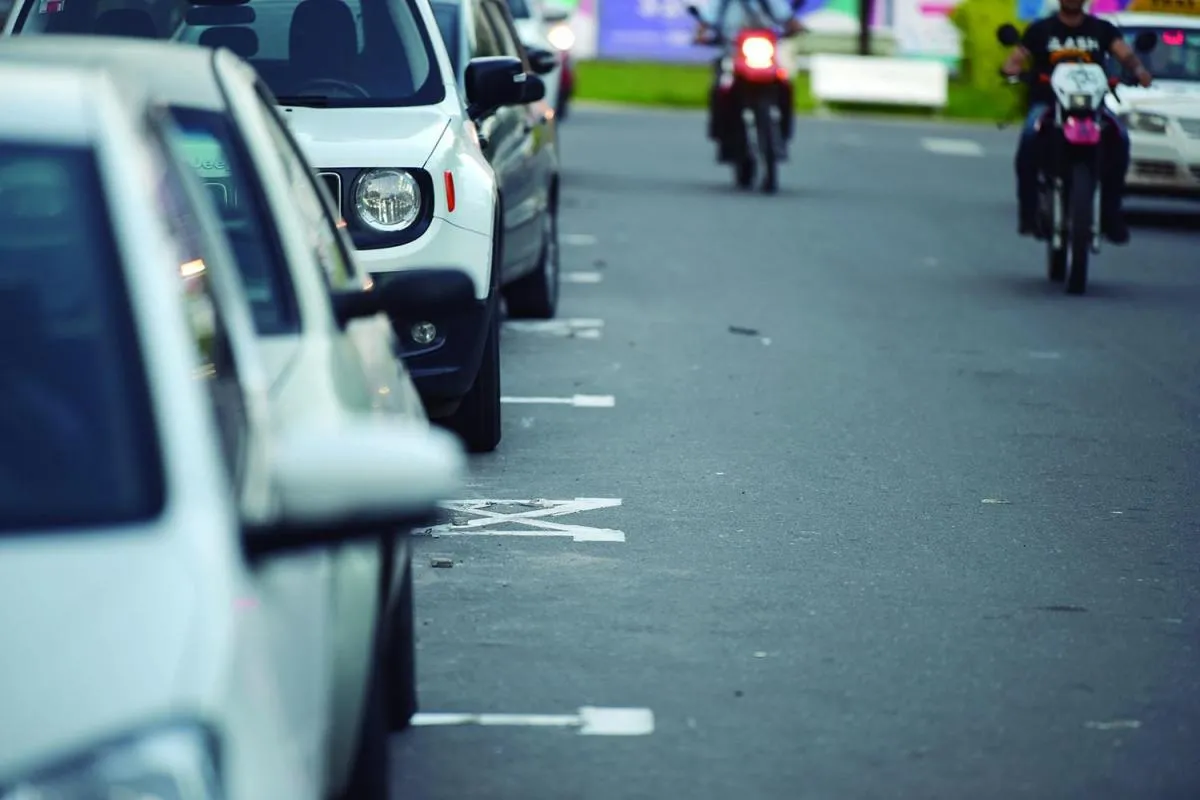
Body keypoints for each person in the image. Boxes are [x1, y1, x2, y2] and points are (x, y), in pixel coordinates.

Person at [1000, 0, 1152, 244]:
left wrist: (1139, 71)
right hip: (1049, 102)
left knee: (1120, 138)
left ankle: (1111, 213)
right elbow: (1016, 58)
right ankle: (1028, 212)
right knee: (1029, 138)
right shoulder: (1040, 29)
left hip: (1092, 106)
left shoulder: (1102, 29)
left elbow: (1125, 54)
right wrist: (1012, 69)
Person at [693, 0, 805, 161]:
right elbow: (707, 19)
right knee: (720, 89)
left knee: (785, 86)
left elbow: (785, 16)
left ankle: (782, 133)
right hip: (733, 53)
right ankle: (723, 136)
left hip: (765, 55)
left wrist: (795, 26)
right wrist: (700, 33)